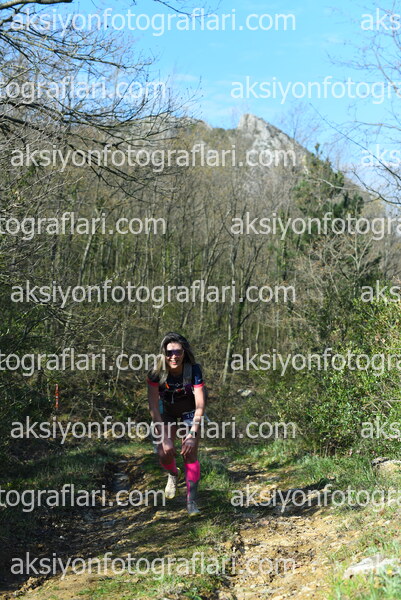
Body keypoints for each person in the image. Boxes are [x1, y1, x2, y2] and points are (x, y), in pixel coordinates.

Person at [147, 332, 206, 516]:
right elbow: (153, 407)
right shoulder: (156, 373)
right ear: (163, 354)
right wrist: (164, 438)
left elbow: (200, 405)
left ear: (184, 352)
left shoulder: (193, 370)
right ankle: (173, 474)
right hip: (167, 412)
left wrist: (192, 434)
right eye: (169, 352)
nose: (174, 356)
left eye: (178, 352)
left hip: (190, 411)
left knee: (189, 452)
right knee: (163, 453)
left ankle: (191, 502)